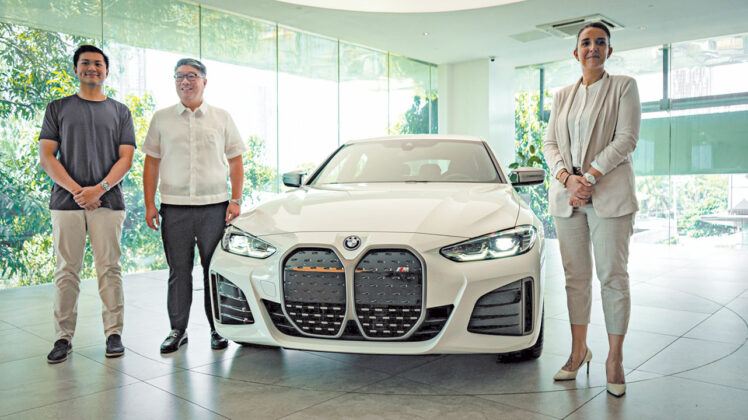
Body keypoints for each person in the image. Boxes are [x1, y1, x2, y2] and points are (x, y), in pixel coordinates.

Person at [543, 22, 641, 397]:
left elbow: (626, 139)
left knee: (613, 277)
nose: (593, 48)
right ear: (576, 52)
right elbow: (550, 143)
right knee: (575, 279)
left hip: (610, 196)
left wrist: (589, 177)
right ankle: (578, 351)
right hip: (567, 198)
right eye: (586, 42)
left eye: (601, 42)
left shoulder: (624, 87)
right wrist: (567, 179)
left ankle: (614, 359)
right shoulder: (562, 96)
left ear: (609, 51)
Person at [39, 45, 136, 363]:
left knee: (110, 269)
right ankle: (62, 338)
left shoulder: (120, 111)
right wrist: (78, 191)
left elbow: (126, 159)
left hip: (108, 202)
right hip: (65, 204)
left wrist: (100, 189)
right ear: (75, 69)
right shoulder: (57, 108)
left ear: (106, 71)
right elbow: (47, 156)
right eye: (85, 63)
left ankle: (114, 334)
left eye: (97, 63)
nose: (91, 68)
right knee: (67, 270)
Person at [143, 58, 246, 354]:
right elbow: (151, 162)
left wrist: (236, 199)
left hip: (214, 207)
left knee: (213, 270)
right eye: (179, 77)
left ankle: (218, 329)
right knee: (178, 271)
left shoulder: (221, 117)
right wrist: (150, 204)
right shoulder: (161, 118)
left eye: (191, 76)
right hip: (174, 208)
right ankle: (177, 329)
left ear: (204, 81)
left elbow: (236, 160)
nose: (184, 82)